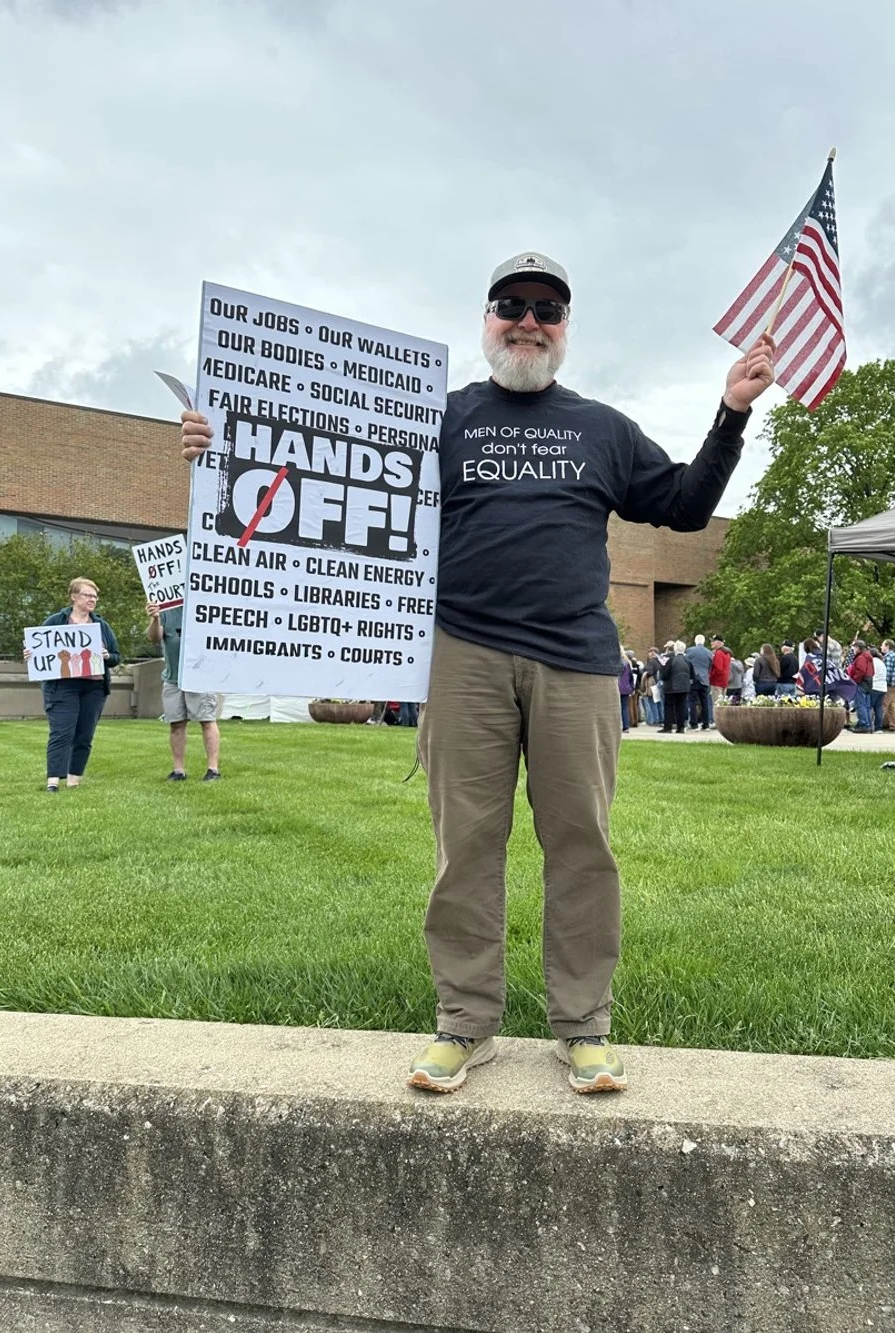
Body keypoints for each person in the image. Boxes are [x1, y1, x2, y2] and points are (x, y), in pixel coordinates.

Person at [180, 250, 775, 1095]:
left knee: (582, 844)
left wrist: (731, 412)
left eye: (548, 309)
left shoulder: (601, 428)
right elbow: (316, 467)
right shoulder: (438, 415)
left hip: (575, 659)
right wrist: (221, 444)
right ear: (486, 318)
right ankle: (465, 1022)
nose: (529, 320)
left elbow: (680, 506)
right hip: (460, 655)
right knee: (467, 845)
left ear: (565, 328)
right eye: (512, 304)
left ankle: (584, 1026)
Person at [26, 577, 120, 792]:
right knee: (61, 732)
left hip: (94, 689)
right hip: (62, 687)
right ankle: (53, 781)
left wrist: (107, 655)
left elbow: (116, 656)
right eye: (88, 595)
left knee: (84, 735)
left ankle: (74, 779)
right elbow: (38, 647)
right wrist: (30, 652)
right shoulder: (56, 621)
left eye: (95, 596)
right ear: (73, 596)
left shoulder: (102, 626)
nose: (92, 599)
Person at [145, 602, 221, 781]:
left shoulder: (204, 602)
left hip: (201, 676)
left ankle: (213, 769)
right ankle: (178, 771)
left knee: (207, 720)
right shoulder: (166, 608)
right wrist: (155, 618)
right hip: (173, 678)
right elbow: (154, 638)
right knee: (176, 723)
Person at [659, 640, 695, 734]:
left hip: (671, 686)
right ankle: (681, 727)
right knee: (681, 706)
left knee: (669, 707)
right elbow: (692, 674)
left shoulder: (670, 659)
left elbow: (664, 674)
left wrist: (663, 677)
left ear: (675, 649)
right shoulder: (687, 660)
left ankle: (668, 727)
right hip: (684, 687)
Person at [685, 633, 713, 729]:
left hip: (693, 679)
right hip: (704, 679)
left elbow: (686, 663)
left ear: (695, 641)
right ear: (704, 642)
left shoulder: (689, 651)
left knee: (692, 701)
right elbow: (710, 666)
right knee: (704, 702)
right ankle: (706, 724)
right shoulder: (709, 653)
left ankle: (694, 723)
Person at [847, 639, 875, 732]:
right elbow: (872, 671)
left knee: (861, 705)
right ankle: (868, 725)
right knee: (866, 705)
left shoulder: (861, 658)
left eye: (854, 647)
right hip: (868, 682)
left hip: (861, 682)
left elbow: (860, 671)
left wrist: (854, 680)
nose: (853, 649)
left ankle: (864, 725)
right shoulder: (868, 657)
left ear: (858, 648)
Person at [880, 639, 895, 731]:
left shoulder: (888, 657)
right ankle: (894, 726)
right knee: (891, 706)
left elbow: (887, 673)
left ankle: (876, 724)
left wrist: (883, 683)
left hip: (889, 685)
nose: (881, 647)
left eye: (882, 645)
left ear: (887, 646)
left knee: (883, 704)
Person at [709, 634, 731, 708]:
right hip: (724, 681)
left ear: (718, 643)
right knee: (722, 705)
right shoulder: (727, 653)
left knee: (716, 705)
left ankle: (716, 719)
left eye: (713, 641)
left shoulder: (718, 653)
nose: (711, 643)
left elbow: (718, 668)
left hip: (717, 682)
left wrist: (710, 677)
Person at [869, 645, 887, 733]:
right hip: (883, 687)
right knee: (879, 708)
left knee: (870, 707)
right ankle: (878, 727)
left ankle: (869, 725)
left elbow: (871, 674)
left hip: (874, 686)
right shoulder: (881, 662)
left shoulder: (872, 662)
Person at [618, 647, 635, 734]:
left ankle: (618, 726)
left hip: (617, 687)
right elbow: (630, 676)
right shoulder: (627, 662)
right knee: (624, 707)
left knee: (616, 708)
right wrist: (632, 687)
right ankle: (626, 726)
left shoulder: (616, 662)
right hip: (626, 687)